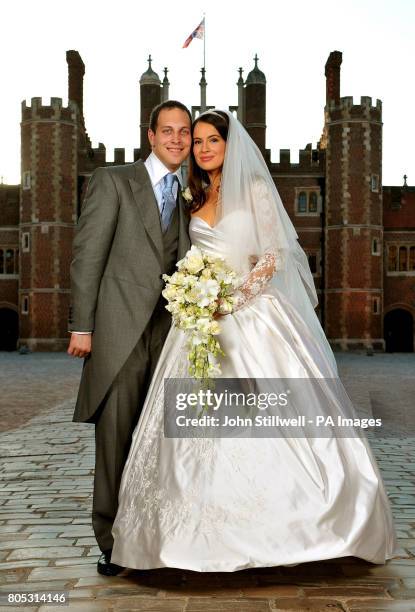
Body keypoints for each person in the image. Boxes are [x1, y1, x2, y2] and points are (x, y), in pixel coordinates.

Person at [111, 109, 397, 572]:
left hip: (254, 318)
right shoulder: (192, 195)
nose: (203, 149)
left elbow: (272, 256)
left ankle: (308, 528)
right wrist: (194, 295)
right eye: (197, 142)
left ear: (231, 144)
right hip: (199, 324)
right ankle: (186, 538)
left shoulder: (257, 190)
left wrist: (232, 298)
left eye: (211, 141)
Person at [67, 100, 192, 575]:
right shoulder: (114, 180)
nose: (178, 139)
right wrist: (83, 325)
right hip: (118, 334)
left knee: (158, 442)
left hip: (169, 337)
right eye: (169, 131)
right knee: (116, 439)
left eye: (185, 132)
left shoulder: (189, 194)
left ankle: (149, 536)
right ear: (151, 135)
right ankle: (111, 541)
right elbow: (87, 255)